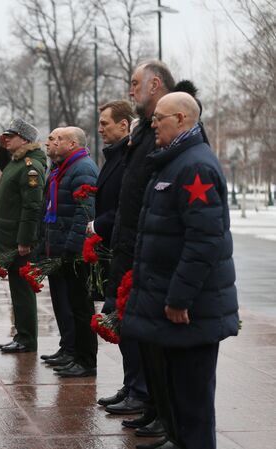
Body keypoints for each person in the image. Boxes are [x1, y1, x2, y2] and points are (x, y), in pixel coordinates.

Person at [122, 92, 239, 449]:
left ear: (183, 120)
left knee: (193, 406)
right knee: (177, 400)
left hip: (189, 310)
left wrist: (178, 298)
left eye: (160, 118)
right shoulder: (174, 161)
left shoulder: (195, 167)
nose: (152, 124)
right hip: (172, 306)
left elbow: (204, 241)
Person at [103, 61, 175, 447]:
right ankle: (148, 402)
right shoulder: (144, 131)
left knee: (155, 339)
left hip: (149, 247)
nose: (131, 91)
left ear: (156, 84)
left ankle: (160, 409)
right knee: (139, 331)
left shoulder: (168, 132)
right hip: (132, 243)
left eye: (135, 84)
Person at [91, 101, 149, 415]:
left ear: (125, 125)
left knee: (128, 322)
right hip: (117, 247)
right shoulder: (115, 156)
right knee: (121, 322)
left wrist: (97, 225)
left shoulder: (128, 158)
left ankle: (139, 390)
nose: (100, 129)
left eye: (105, 123)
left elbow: (126, 205)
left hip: (125, 247)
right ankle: (132, 385)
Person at [39, 126, 99, 377]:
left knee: (80, 306)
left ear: (73, 144)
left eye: (58, 138)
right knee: (67, 304)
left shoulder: (83, 168)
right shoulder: (61, 168)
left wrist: (72, 250)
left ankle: (84, 359)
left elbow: (84, 212)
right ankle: (71, 350)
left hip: (73, 251)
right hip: (60, 245)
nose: (51, 142)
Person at [0, 118, 47, 353]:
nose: (7, 139)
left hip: (19, 241)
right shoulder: (16, 162)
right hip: (10, 237)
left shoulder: (30, 166)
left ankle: (27, 339)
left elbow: (32, 207)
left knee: (23, 291)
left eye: (10, 136)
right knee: (17, 288)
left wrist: (25, 240)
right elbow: (4, 163)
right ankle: (22, 334)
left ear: (23, 139)